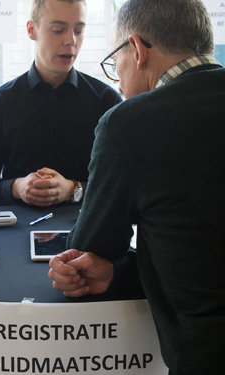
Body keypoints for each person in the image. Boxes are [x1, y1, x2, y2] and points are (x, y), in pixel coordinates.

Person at [48, 0, 225, 373]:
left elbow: (91, 247)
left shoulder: (130, 124)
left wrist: (106, 267)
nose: (120, 81)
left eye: (116, 64)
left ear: (138, 50)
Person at [0, 0, 122, 207]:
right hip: (16, 231)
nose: (71, 40)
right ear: (32, 30)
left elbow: (121, 185)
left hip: (85, 231)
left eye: (78, 30)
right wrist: (17, 187)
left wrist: (73, 189)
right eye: (58, 30)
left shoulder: (105, 100)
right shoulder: (1, 102)